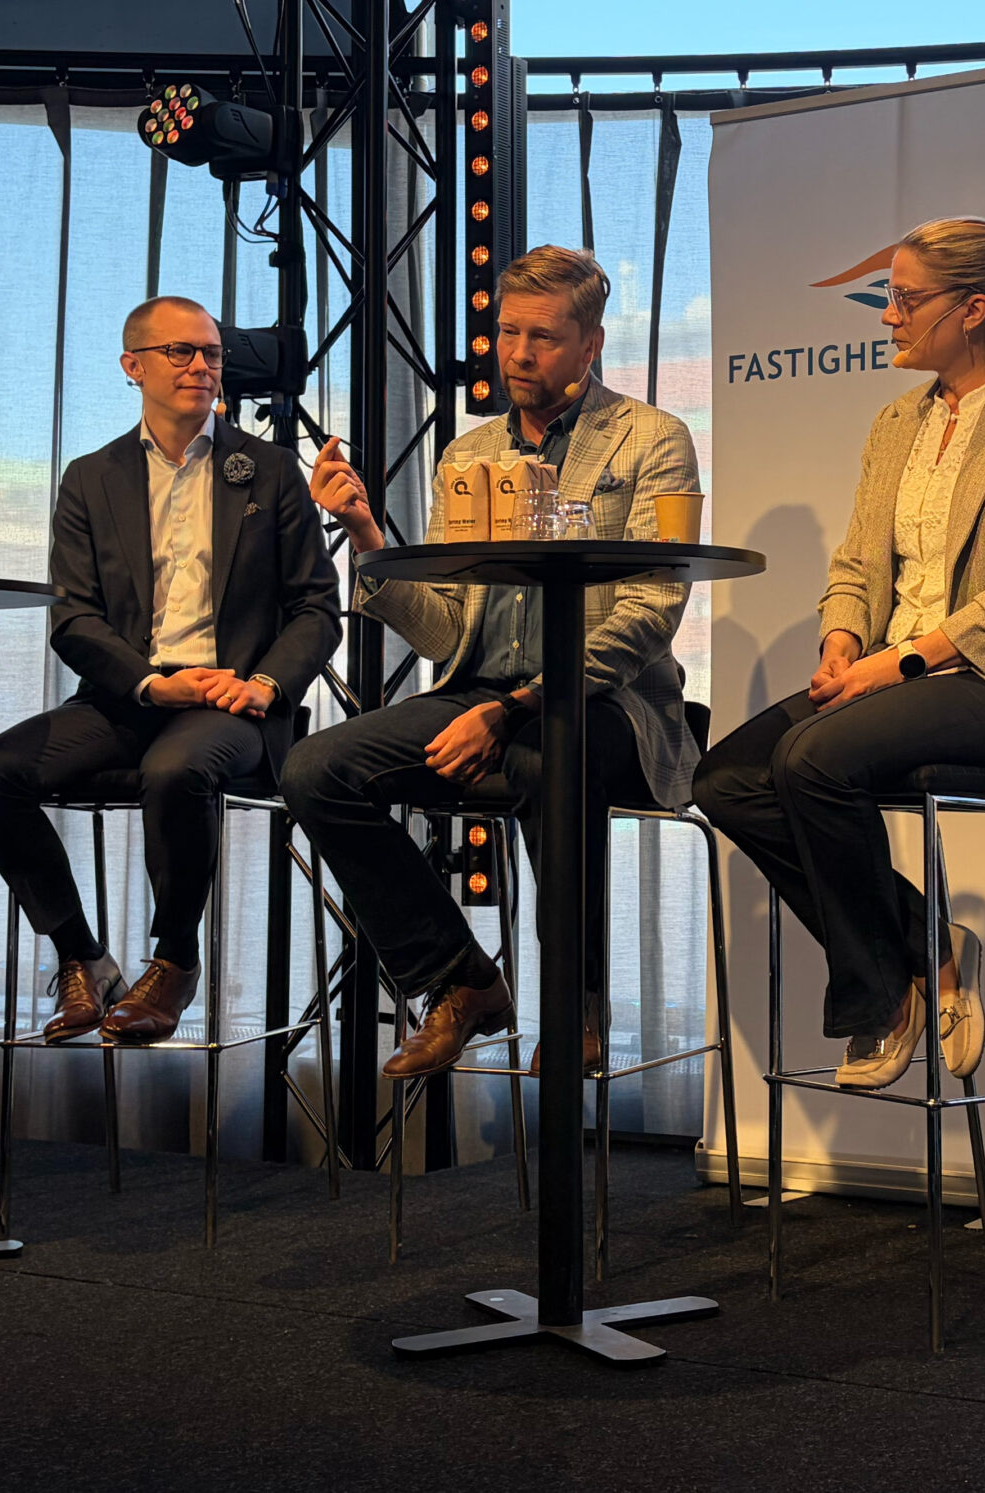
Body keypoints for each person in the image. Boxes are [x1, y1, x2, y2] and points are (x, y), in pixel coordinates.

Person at [692, 216, 985, 1093]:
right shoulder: (898, 422)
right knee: (724, 779)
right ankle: (929, 941)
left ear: (973, 310)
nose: (887, 314)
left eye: (904, 298)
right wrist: (843, 642)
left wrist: (892, 666)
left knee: (813, 758)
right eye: (888, 295)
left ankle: (881, 996)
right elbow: (858, 563)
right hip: (894, 668)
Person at [285, 245, 701, 1079]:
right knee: (314, 769)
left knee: (549, 755)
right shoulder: (468, 454)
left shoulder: (651, 439)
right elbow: (447, 632)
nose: (517, 353)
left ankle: (578, 1006)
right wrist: (367, 534)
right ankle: (461, 977)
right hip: (478, 691)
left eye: (542, 337)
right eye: (507, 332)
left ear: (590, 344)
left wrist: (513, 710)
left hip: (607, 707)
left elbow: (650, 612)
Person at [0, 295, 340, 1047]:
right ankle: (82, 956)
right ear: (133, 366)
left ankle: (173, 961)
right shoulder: (91, 477)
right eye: (180, 352)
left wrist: (261, 684)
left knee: (176, 768)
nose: (201, 365)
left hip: (232, 705)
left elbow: (317, 609)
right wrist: (150, 683)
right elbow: (74, 620)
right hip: (129, 697)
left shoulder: (268, 470)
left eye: (211, 353)